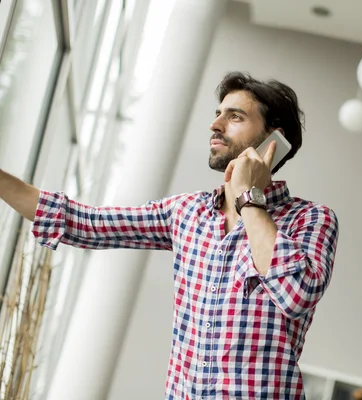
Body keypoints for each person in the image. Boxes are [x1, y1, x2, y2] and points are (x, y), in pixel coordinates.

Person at [0, 72, 339, 399]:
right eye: (217, 113)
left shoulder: (311, 220)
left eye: (234, 116)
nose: (215, 125)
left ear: (273, 141)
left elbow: (296, 294)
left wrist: (249, 196)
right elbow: (85, 222)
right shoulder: (187, 212)